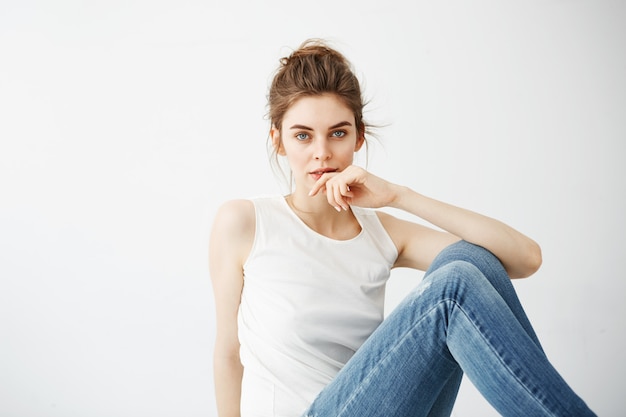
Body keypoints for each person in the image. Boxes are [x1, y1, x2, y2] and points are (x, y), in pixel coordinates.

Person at [209, 39, 596, 417]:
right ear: (278, 140)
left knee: (467, 262)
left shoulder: (383, 234)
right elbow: (228, 351)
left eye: (338, 133)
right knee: (454, 288)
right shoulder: (245, 223)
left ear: (359, 137)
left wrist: (398, 195)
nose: (322, 152)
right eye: (303, 135)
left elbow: (524, 258)